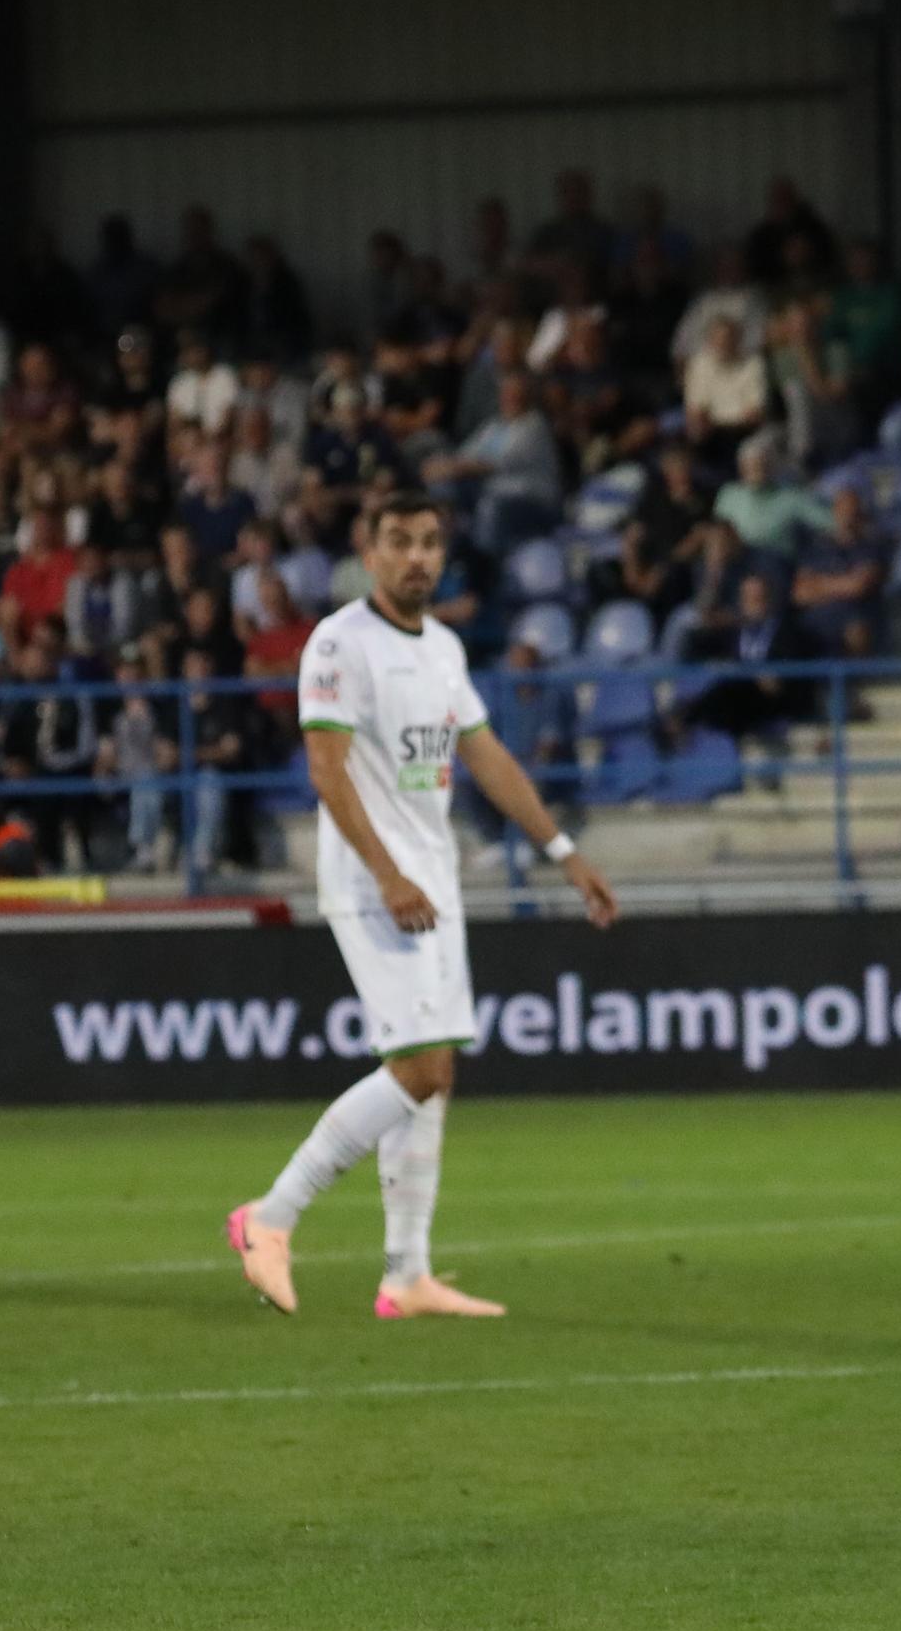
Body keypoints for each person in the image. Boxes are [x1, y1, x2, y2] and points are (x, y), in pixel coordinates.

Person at [228, 494, 618, 1325]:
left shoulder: (441, 646)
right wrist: (386, 873)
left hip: (432, 883)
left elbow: (487, 756)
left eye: (431, 543)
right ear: (368, 553)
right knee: (421, 1068)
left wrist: (563, 853)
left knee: (435, 1082)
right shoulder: (339, 642)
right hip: (377, 887)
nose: (418, 558)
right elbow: (327, 772)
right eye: (400, 542)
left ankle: (407, 1274)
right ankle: (271, 1216)